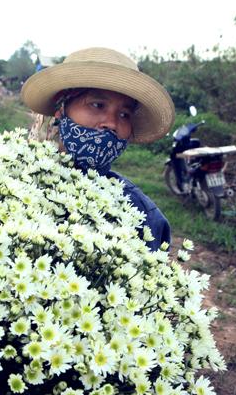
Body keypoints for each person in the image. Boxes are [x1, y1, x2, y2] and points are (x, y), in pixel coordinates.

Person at [21, 47, 175, 252]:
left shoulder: (142, 216)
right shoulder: (15, 182)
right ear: (61, 109)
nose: (111, 123)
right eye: (97, 105)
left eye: (124, 115)